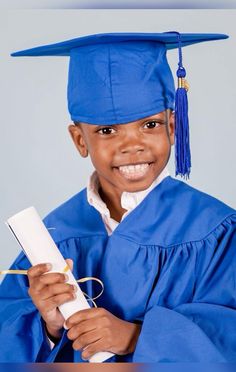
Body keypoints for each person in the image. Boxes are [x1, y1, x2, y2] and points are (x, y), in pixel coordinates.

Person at [0, 32, 236, 363]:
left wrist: (136, 337)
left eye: (150, 124)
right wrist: (49, 325)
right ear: (79, 140)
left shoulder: (216, 231)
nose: (132, 145)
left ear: (173, 126)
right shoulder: (54, 236)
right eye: (107, 131)